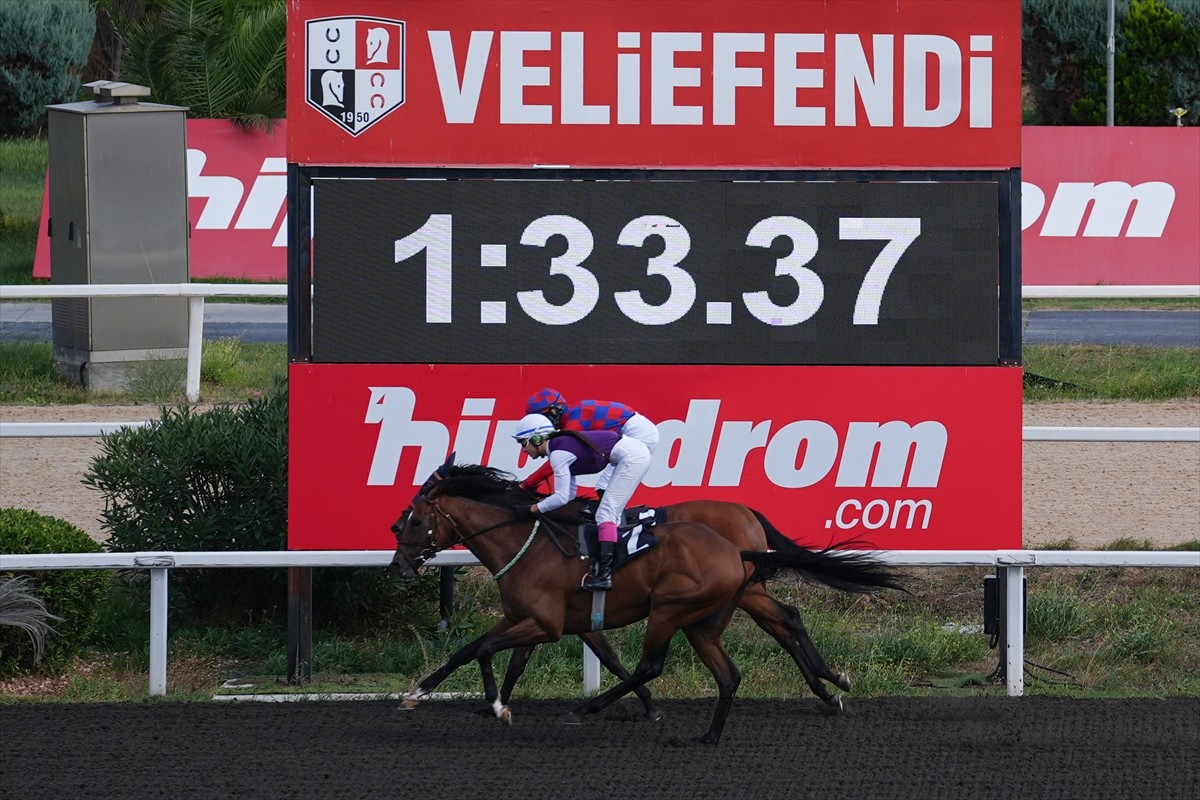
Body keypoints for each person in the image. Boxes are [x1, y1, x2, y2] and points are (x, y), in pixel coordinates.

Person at [512, 412, 651, 591]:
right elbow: (569, 494)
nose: (523, 449)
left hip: (632, 457)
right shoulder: (559, 448)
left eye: (523, 442)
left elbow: (562, 497)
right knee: (608, 514)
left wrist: (531, 509)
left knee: (605, 514)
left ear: (537, 439)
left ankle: (606, 575)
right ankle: (612, 563)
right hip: (628, 455)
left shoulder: (559, 453)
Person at [519, 388, 658, 499]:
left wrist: (525, 486)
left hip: (639, 434)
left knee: (604, 487)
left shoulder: (575, 421)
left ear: (554, 411)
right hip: (634, 431)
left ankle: (616, 529)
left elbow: (554, 463)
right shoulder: (571, 415)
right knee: (604, 488)